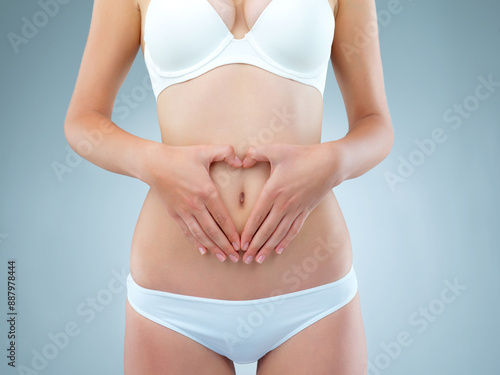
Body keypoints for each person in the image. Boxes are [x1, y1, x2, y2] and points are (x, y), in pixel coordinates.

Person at [64, 0, 393, 373]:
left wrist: (333, 163)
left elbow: (375, 122)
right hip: (174, 302)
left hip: (311, 297)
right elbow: (83, 119)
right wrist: (152, 163)